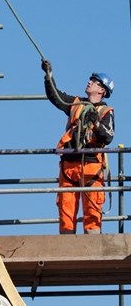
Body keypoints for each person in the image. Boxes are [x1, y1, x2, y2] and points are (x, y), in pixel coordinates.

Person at [42, 60, 115, 234]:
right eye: (90, 79)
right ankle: (66, 248)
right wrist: (48, 75)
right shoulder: (76, 104)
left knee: (92, 214)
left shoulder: (106, 112)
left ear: (101, 90)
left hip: (92, 168)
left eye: (94, 81)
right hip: (69, 166)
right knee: (66, 214)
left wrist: (95, 123)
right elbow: (56, 97)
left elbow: (108, 136)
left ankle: (93, 249)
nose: (89, 82)